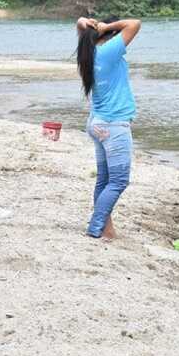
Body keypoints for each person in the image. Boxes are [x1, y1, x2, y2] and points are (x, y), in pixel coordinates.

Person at [75, 16, 141, 240]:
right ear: (110, 37)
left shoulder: (88, 53)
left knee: (104, 180)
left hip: (97, 123)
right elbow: (135, 24)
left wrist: (89, 23)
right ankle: (95, 228)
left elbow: (80, 24)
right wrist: (108, 26)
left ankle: (106, 229)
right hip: (114, 125)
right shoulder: (108, 52)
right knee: (119, 181)